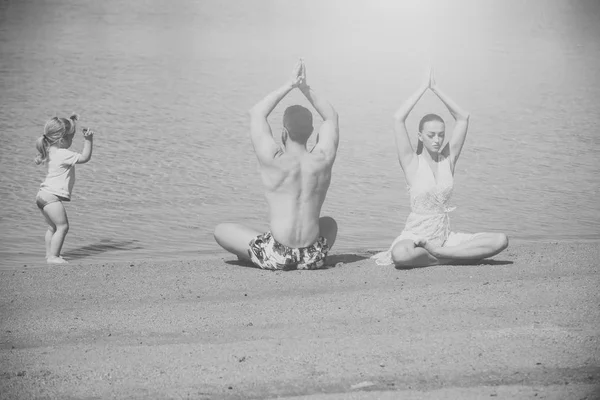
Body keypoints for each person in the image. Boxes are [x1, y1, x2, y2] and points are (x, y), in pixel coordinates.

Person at [372, 69, 508, 268]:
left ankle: (439, 254)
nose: (437, 140)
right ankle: (454, 257)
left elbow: (463, 117)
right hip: (416, 234)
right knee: (401, 254)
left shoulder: (448, 159)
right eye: (431, 135)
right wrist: (422, 88)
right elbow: (397, 118)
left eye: (441, 135)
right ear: (420, 136)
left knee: (500, 240)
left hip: (444, 237)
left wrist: (436, 88)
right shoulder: (411, 162)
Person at [214, 60, 339, 270]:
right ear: (311, 133)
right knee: (329, 224)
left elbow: (257, 113)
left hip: (278, 255)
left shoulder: (273, 159)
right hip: (313, 256)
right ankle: (299, 257)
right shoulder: (323, 158)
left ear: (283, 133)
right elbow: (331, 117)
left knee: (221, 230)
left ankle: (260, 255)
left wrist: (289, 85)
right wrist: (305, 88)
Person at [35, 114, 95, 264]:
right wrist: (88, 140)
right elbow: (85, 158)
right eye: (71, 138)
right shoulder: (63, 154)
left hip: (42, 196)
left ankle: (49, 255)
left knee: (52, 227)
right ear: (62, 140)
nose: (72, 141)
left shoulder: (50, 151)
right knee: (63, 227)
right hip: (51, 197)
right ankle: (54, 257)